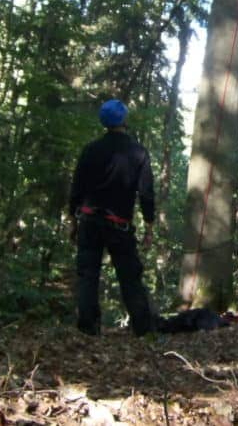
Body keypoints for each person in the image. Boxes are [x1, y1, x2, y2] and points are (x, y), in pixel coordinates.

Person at [69, 99, 156, 336]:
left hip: (89, 220)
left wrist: (73, 221)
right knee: (130, 277)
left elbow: (76, 188)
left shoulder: (90, 150)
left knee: (88, 275)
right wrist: (149, 226)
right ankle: (143, 330)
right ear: (124, 120)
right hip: (120, 227)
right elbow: (146, 193)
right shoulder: (139, 153)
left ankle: (88, 328)